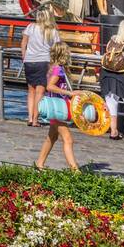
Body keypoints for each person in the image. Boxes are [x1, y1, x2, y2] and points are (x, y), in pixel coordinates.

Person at [36, 42, 80, 171]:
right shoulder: (58, 69)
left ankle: (39, 164)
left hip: (54, 107)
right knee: (68, 139)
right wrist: (70, 93)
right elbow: (50, 86)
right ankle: (75, 170)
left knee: (52, 137)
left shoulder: (53, 67)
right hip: (57, 108)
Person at [21, 5, 61, 127]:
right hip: (44, 62)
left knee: (31, 91)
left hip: (29, 62)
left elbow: (23, 44)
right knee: (40, 92)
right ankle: (35, 119)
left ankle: (29, 118)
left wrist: (24, 57)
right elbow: (57, 48)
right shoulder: (52, 31)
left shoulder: (30, 27)